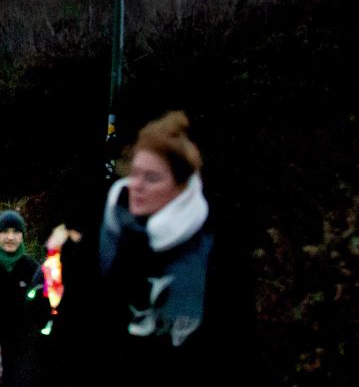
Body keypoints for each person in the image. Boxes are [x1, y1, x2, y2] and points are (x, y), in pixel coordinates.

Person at [87, 111, 249, 382]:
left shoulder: (215, 248)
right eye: (135, 174)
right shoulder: (108, 235)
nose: (136, 186)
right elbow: (83, 331)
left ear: (180, 186)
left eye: (151, 178)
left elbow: (233, 343)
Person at [0, 211, 49, 387]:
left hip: (21, 350)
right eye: (5, 232)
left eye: (16, 232)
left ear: (22, 236)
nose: (10, 237)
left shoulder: (33, 268)